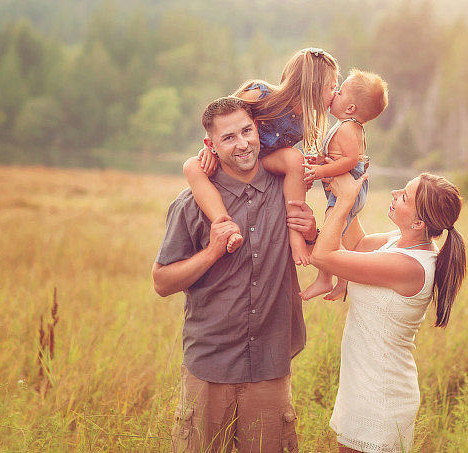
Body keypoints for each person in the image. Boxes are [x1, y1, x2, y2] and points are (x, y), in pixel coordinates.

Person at [153, 96, 319, 453]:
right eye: (229, 138)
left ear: (258, 129)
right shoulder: (191, 204)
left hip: (270, 366)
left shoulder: (287, 190)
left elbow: (317, 253)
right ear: (210, 146)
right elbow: (162, 282)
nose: (243, 144)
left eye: (247, 131)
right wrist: (212, 251)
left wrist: (312, 234)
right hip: (209, 366)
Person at [303, 171, 467, 453]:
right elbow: (353, 246)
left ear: (419, 222)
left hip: (381, 395)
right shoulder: (399, 241)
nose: (393, 194)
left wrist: (344, 199)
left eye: (404, 196)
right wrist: (336, 180)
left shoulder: (410, 266)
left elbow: (324, 257)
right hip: (362, 384)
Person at [183, 47, 339, 266]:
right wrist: (211, 149)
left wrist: (312, 168)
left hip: (261, 162)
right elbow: (219, 118)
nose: (335, 93)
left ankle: (296, 238)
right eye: (331, 87)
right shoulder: (260, 95)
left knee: (295, 159)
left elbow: (292, 159)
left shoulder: (305, 123)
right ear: (313, 86)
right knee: (192, 166)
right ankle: (225, 225)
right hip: (235, 155)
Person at [299, 68, 388, 301]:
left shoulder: (349, 128)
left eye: (339, 92)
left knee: (330, 233)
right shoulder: (345, 125)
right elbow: (338, 156)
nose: (334, 93)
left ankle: (334, 279)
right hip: (343, 190)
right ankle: (335, 280)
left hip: (349, 189)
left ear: (350, 108)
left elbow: (348, 161)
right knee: (332, 232)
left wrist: (320, 171)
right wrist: (319, 160)